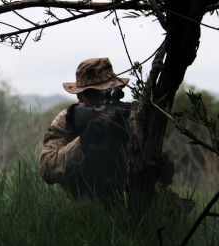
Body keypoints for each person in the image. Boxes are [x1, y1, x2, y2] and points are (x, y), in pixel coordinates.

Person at [39, 58, 184, 206]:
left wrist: (131, 137)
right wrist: (84, 141)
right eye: (95, 94)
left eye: (107, 91)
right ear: (80, 96)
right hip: (88, 202)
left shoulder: (132, 117)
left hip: (132, 198)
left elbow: (165, 174)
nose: (102, 99)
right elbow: (47, 168)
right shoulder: (68, 119)